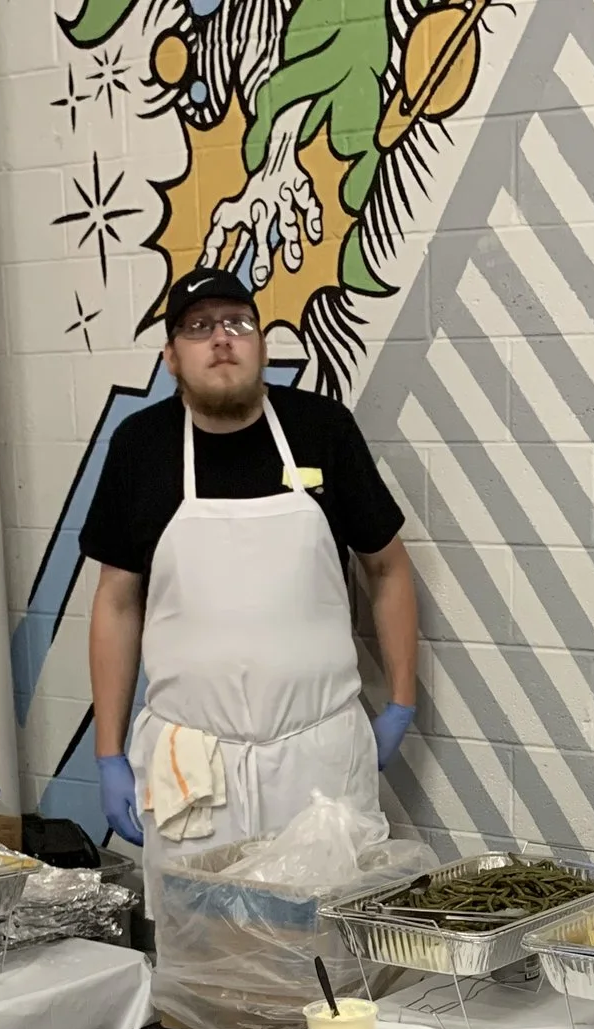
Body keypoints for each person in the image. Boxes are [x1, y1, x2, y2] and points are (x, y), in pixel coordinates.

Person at [83, 268, 418, 855]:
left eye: (238, 323)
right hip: (192, 767)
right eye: (198, 326)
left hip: (320, 761)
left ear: (262, 345)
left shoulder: (323, 430)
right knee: (201, 917)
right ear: (170, 357)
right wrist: (108, 752)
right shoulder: (141, 446)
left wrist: (401, 701)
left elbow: (387, 569)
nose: (221, 338)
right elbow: (116, 602)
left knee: (326, 914)